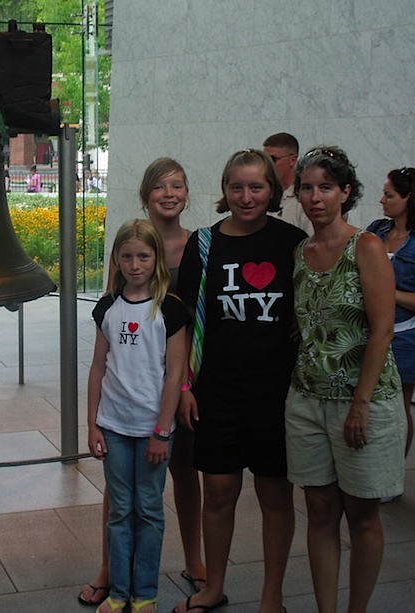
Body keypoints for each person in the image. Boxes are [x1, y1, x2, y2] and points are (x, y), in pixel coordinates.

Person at [173, 149, 306, 613]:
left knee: (274, 494)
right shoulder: (205, 244)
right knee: (220, 492)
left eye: (256, 187)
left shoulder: (292, 241)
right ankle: (213, 585)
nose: (246, 197)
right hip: (218, 390)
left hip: (276, 391)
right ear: (224, 190)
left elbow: (311, 302)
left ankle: (273, 595)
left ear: (272, 190)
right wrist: (185, 387)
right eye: (236, 187)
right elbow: (184, 322)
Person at [79, 159, 207, 608]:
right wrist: (93, 421)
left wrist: (184, 388)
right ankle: (111, 573)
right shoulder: (128, 259)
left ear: (187, 192)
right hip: (126, 404)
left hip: (175, 384)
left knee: (180, 476)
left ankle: (192, 563)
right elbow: (107, 347)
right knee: (120, 496)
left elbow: (197, 321)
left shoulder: (200, 246)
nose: (169, 193)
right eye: (159, 186)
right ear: (145, 194)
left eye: (177, 184)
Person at [285, 146, 406, 613]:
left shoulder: (367, 247)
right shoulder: (301, 251)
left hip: (362, 402)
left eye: (326, 188)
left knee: (362, 515)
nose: (315, 197)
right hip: (307, 400)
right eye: (307, 188)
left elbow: (382, 329)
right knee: (319, 514)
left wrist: (360, 403)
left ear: (346, 192)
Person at [87, 218, 188, 613]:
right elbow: (98, 367)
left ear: (156, 258)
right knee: (119, 510)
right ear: (116, 259)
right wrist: (92, 423)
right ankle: (119, 591)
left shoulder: (170, 309)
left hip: (152, 429)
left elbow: (175, 374)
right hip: (113, 426)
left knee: (148, 509)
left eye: (143, 256)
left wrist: (162, 431)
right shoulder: (108, 307)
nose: (134, 264)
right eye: (126, 256)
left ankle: (145, 592)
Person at [367, 167, 415, 465]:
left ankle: (394, 468)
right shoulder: (376, 230)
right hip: (371, 329)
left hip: (405, 334)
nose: (382, 200)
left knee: (397, 404)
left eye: (389, 195)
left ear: (408, 198)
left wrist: (387, 290)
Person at [263, 133, 312, 234]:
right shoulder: (261, 196)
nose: (267, 165)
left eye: (273, 159)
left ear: (292, 160)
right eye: (264, 159)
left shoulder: (304, 199)